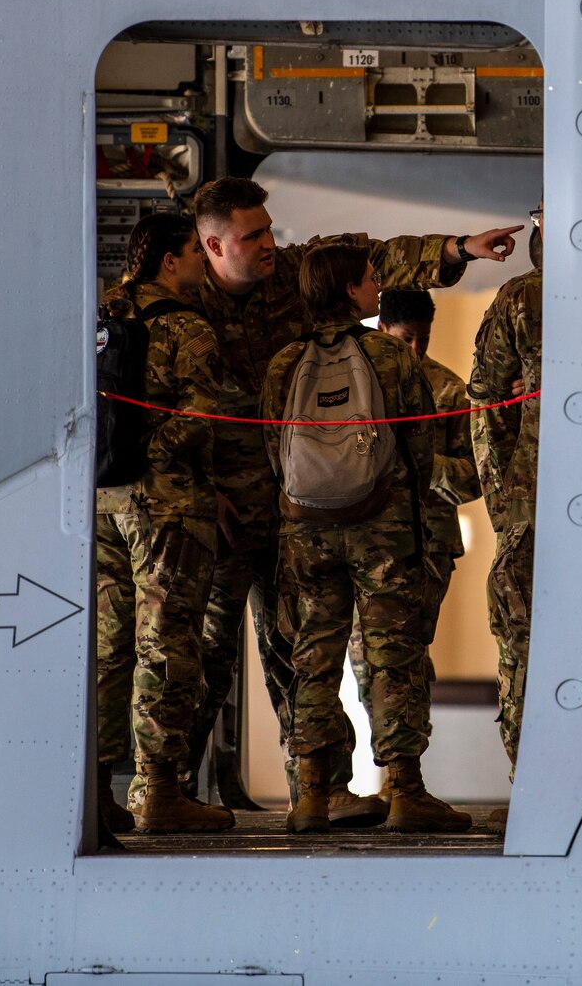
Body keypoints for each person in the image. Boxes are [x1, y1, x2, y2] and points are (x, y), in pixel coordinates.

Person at [182, 176, 522, 815]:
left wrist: (458, 249)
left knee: (300, 654)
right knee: (206, 656)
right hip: (241, 510)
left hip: (295, 516)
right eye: (252, 236)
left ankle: (318, 790)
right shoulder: (185, 305)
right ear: (213, 246)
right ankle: (176, 792)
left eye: (268, 230)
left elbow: (386, 254)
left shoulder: (291, 324)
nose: (268, 245)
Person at [263, 244, 474, 834]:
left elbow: (272, 453)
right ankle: (406, 792)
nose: (378, 286)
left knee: (313, 657)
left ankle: (309, 795)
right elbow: (418, 449)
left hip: (306, 531)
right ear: (350, 289)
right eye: (371, 279)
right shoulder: (390, 358)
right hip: (382, 530)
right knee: (392, 658)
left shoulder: (284, 363)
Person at [110, 212, 238, 833]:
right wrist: (156, 453)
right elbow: (201, 415)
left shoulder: (103, 311)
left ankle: (96, 792)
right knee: (167, 642)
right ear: (168, 260)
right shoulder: (188, 328)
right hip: (166, 505)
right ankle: (159, 790)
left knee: (107, 647)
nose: (200, 263)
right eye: (193, 251)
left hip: (101, 498)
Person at [343, 289, 482, 792]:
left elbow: (474, 475)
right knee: (367, 662)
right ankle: (390, 773)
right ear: (382, 330)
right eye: (406, 339)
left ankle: (404, 780)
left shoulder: (448, 391)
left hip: (428, 545)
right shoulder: (354, 387)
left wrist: (419, 467)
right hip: (367, 541)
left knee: (409, 657)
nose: (416, 350)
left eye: (424, 338)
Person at [470, 205, 543, 776]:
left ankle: (526, 771)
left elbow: (486, 408)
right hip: (536, 500)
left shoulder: (522, 299)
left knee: (522, 635)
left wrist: (505, 502)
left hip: (533, 501)